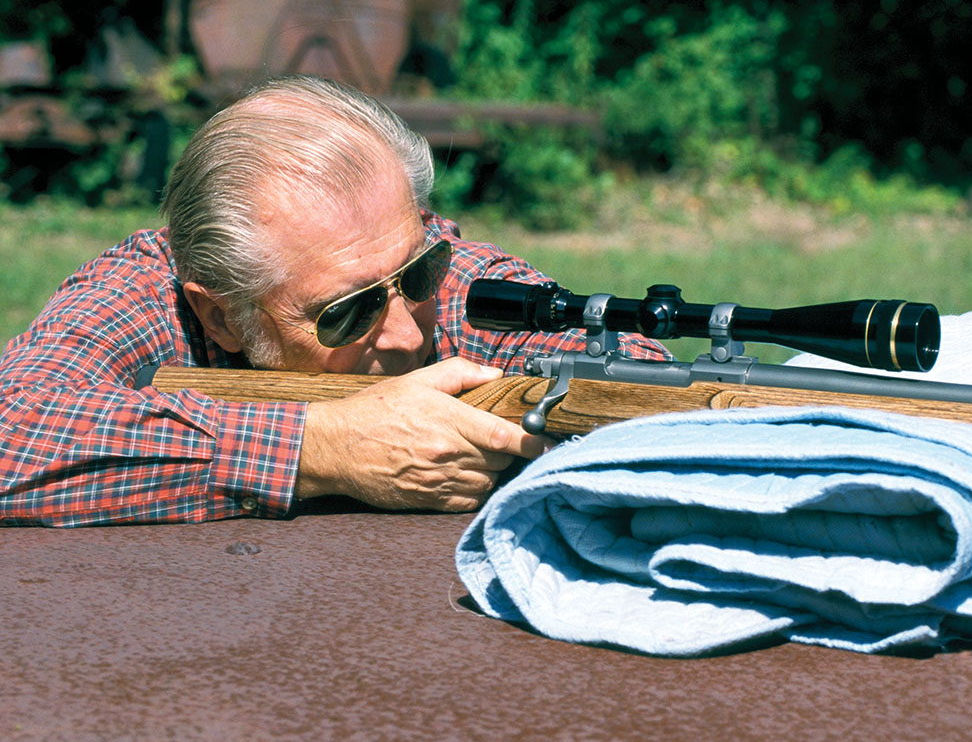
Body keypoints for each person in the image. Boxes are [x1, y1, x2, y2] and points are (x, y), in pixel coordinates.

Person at [0, 75, 667, 526]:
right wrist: (322, 448)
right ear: (221, 316)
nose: (407, 335)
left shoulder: (425, 259)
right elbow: (13, 433)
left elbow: (634, 371)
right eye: (348, 312)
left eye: (418, 275)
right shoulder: (143, 293)